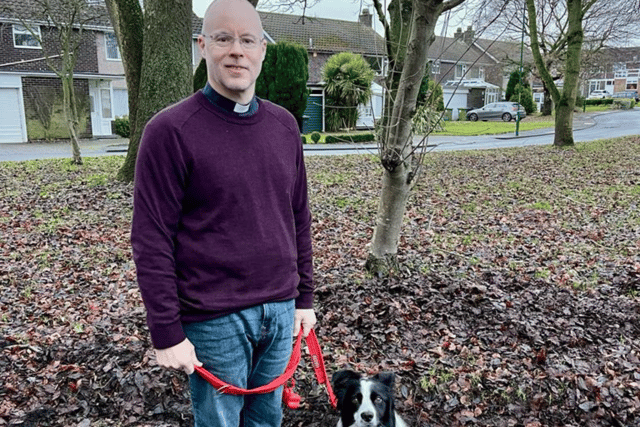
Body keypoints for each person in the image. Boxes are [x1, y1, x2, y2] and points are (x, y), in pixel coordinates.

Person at [130, 0, 316, 425]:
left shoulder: (285, 126)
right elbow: (151, 238)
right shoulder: (169, 131)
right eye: (223, 38)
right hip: (214, 319)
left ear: (262, 51)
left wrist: (303, 298)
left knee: (267, 420)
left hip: (281, 310)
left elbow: (299, 216)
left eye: (248, 40)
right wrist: (166, 332)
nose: (237, 50)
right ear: (203, 46)